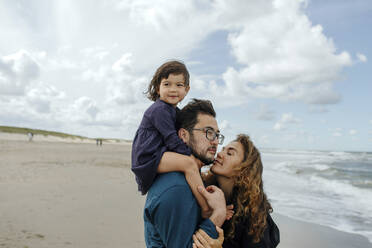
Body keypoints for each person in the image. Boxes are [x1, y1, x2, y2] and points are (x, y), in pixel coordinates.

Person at [144, 99, 227, 247]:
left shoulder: (191, 179)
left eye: (217, 135)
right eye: (208, 132)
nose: (215, 141)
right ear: (183, 135)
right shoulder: (178, 189)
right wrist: (219, 213)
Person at [131, 60, 210, 215]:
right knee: (189, 163)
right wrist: (191, 155)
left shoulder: (175, 111)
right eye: (167, 84)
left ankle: (201, 193)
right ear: (158, 88)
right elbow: (172, 140)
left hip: (159, 152)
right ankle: (206, 208)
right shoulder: (159, 110)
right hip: (148, 156)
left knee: (193, 162)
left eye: (179, 85)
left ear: (187, 89)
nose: (173, 90)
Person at [193, 134, 280, 248]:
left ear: (244, 169)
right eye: (223, 149)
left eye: (229, 153)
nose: (219, 153)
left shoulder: (254, 216)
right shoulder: (205, 190)